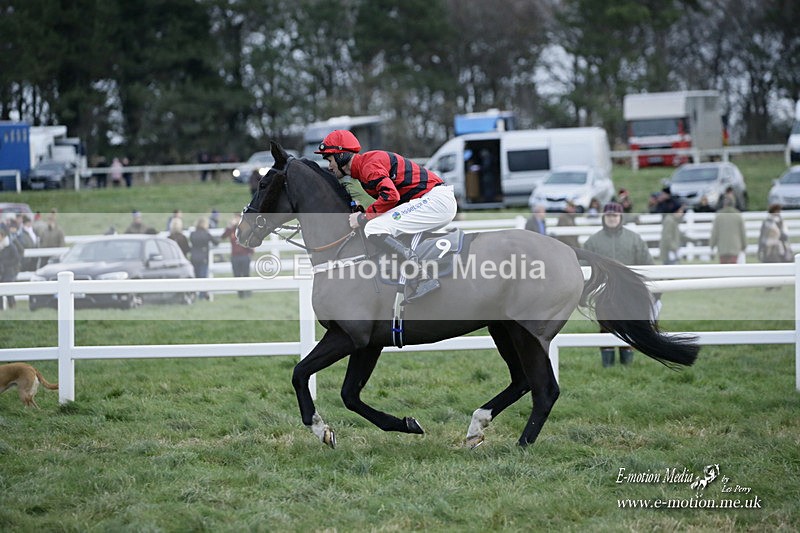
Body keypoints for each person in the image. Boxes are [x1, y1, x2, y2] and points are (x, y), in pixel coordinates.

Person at [315, 129, 457, 302]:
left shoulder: (368, 166)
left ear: (341, 156)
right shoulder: (365, 167)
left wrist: (362, 218)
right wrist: (365, 212)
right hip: (433, 200)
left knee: (374, 227)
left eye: (330, 160)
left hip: (436, 202)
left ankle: (422, 277)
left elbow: (391, 196)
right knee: (377, 223)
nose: (329, 166)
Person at [584, 202, 654, 367]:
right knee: (606, 327)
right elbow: (583, 267)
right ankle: (608, 365)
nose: (612, 218)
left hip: (629, 293)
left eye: (615, 215)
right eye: (609, 215)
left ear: (620, 217)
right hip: (603, 293)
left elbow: (648, 263)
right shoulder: (593, 241)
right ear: (604, 217)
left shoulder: (634, 239)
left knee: (629, 326)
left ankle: (626, 365)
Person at [222, 213, 254, 298]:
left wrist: (250, 252)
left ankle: (248, 293)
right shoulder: (232, 229)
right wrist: (229, 226)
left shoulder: (245, 228)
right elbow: (223, 236)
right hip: (235, 256)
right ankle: (240, 294)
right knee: (237, 275)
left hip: (244, 255)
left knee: (246, 274)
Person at [190, 216, 219, 300]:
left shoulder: (193, 234)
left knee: (196, 277)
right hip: (203, 258)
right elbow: (216, 242)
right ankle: (202, 295)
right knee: (203, 277)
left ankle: (195, 294)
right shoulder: (206, 234)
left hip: (194, 258)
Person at [710, 197, 746, 264]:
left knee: (723, 269)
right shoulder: (738, 216)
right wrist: (744, 246)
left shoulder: (719, 217)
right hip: (735, 247)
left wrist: (712, 245)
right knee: (733, 269)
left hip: (722, 248)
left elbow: (715, 233)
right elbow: (742, 233)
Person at [0, 225, 21, 309]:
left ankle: (12, 307)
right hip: (1, 272)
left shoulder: (10, 246)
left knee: (9, 292)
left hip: (9, 272)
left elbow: (16, 258)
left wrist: (6, 264)